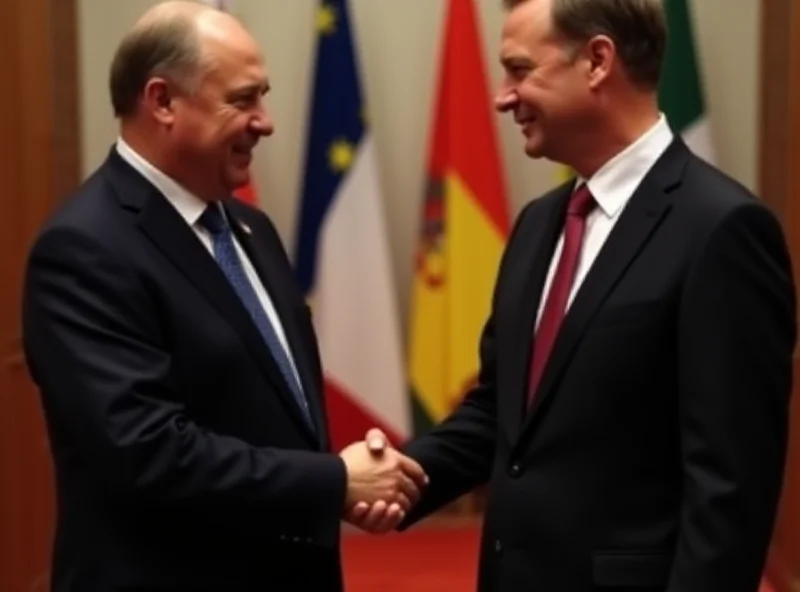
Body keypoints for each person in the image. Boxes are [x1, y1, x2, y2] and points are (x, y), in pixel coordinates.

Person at [350, 0, 797, 590]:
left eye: (519, 69)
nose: (502, 96)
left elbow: (728, 492)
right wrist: (395, 478)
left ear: (597, 61)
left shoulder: (722, 229)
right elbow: (501, 412)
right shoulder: (540, 224)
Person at [21, 2, 425, 591]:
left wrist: (340, 481)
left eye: (262, 96)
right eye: (242, 100)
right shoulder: (84, 248)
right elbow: (147, 453)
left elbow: (276, 408)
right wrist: (334, 482)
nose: (266, 121)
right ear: (161, 101)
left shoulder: (249, 229)